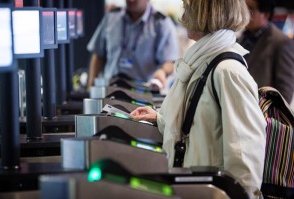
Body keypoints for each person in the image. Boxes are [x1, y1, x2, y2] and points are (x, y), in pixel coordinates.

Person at [130, 0, 267, 198]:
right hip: (194, 187)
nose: (183, 17)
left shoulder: (228, 71)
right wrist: (160, 118)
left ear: (208, 15)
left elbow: (245, 154)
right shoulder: (202, 61)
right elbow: (198, 123)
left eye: (189, 10)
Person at [86, 0, 179, 91]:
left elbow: (169, 61)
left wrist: (162, 71)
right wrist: (90, 87)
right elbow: (98, 55)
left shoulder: (161, 23)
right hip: (110, 91)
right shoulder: (111, 17)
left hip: (143, 93)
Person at [238, 0, 294, 104]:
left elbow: (285, 93)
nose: (245, 13)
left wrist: (266, 115)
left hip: (261, 114)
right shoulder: (240, 39)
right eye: (243, 8)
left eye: (251, 10)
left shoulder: (281, 42)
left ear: (266, 14)